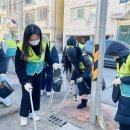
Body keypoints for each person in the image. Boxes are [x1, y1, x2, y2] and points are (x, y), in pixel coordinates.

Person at [15, 24, 61, 126]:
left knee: (36, 92)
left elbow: (47, 56)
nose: (35, 41)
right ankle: (23, 116)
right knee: (27, 94)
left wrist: (53, 63)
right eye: (32, 39)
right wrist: (24, 82)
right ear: (27, 38)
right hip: (27, 73)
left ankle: (33, 112)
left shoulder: (44, 42)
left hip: (39, 72)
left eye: (37, 38)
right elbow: (19, 67)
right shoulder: (21, 47)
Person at [105, 42, 130, 130]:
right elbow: (122, 74)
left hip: (128, 96)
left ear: (118, 52)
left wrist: (121, 80)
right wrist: (117, 80)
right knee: (123, 120)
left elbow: (123, 78)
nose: (112, 58)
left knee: (126, 121)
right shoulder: (120, 61)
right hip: (124, 94)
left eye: (112, 55)